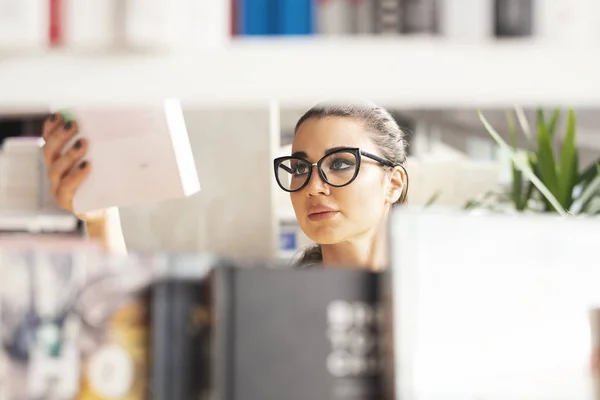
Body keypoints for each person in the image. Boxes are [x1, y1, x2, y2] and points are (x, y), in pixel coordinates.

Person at [41, 101, 409, 270]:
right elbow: (132, 323)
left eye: (341, 163)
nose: (313, 186)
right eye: (299, 168)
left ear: (393, 183)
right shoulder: (274, 307)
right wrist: (100, 215)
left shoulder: (441, 300)